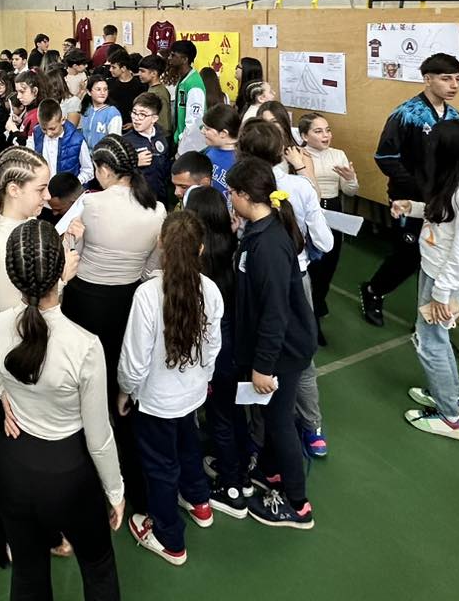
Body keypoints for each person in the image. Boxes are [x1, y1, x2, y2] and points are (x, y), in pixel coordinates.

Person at [0, 219, 123, 601]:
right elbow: (99, 438)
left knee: (29, 577)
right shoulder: (84, 346)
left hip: (15, 470)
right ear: (58, 268)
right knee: (98, 570)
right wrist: (115, 490)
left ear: (13, 277)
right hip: (71, 474)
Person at [62, 135, 165, 511]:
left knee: (86, 385)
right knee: (121, 383)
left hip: (86, 302)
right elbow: (154, 266)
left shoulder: (89, 203)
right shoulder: (156, 208)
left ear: (105, 170)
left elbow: (72, 257)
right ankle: (131, 482)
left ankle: (87, 471)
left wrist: (73, 244)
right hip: (129, 302)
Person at [119, 210, 222, 565]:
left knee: (160, 467)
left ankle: (169, 538)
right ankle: (200, 503)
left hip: (155, 401)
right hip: (191, 394)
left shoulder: (148, 295)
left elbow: (134, 360)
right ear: (201, 249)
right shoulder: (210, 289)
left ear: (161, 245)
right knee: (188, 446)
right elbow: (212, 347)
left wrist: (125, 391)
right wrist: (202, 379)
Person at [226, 156, 317, 529]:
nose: (229, 197)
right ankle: (273, 472)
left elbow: (275, 313)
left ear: (246, 196)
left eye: (232, 193)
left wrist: (263, 365)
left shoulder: (269, 246)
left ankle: (297, 505)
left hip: (282, 353)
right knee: (269, 416)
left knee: (279, 421)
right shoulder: (259, 230)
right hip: (276, 350)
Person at [394, 119, 459, 439]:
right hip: (438, 271)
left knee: (429, 343)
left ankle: (450, 418)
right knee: (436, 339)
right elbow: (445, 219)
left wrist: (441, 292)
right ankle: (451, 398)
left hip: (445, 279)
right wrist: (412, 208)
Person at [361, 53, 459, 327]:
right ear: (427, 79)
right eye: (446, 79)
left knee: (436, 257)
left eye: (457, 79)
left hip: (442, 200)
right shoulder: (405, 114)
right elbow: (385, 157)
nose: (454, 85)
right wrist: (417, 188)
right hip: (408, 200)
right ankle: (373, 291)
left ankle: (431, 323)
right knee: (408, 256)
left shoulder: (454, 117)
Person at [185, 186, 248, 518]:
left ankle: (232, 487)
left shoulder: (200, 261)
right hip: (235, 347)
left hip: (216, 354)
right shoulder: (232, 246)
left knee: (219, 417)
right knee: (232, 412)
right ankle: (243, 470)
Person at [298, 113, 359, 344]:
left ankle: (319, 300)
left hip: (333, 212)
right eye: (318, 131)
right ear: (304, 135)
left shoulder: (338, 154)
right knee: (311, 267)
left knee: (329, 264)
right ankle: (311, 319)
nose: (326, 135)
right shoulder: (299, 156)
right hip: (309, 211)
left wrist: (351, 179)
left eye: (328, 130)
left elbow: (350, 191)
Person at [0, 146, 54, 313]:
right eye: (41, 189)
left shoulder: (27, 220)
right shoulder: (1, 251)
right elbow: (17, 317)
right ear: (14, 190)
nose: (48, 196)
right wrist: (61, 279)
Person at [33, 98, 93, 184]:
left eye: (52, 128)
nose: (49, 133)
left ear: (62, 120)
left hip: (69, 193)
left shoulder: (77, 140)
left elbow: (88, 171)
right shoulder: (36, 134)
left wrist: (73, 185)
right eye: (44, 129)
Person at [124, 92, 171, 202]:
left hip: (160, 198)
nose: (136, 118)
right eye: (134, 113)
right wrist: (134, 162)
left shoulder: (162, 137)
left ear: (154, 118)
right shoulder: (126, 141)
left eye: (142, 114)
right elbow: (117, 173)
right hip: (136, 200)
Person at [169, 41, 206, 154]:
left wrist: (183, 141)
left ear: (185, 59)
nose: (169, 58)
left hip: (190, 145)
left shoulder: (194, 83)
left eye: (173, 55)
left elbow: (195, 120)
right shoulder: (184, 80)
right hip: (183, 142)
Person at [202, 104, 240, 197]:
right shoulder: (209, 150)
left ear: (223, 133)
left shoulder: (239, 161)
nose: (202, 131)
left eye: (207, 129)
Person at [79, 74, 123, 151]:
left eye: (105, 89)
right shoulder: (87, 110)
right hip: (85, 156)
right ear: (89, 92)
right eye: (98, 89)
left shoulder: (112, 113)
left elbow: (115, 142)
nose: (102, 93)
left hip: (103, 157)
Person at [137, 55, 173, 134]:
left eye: (142, 71)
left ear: (153, 73)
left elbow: (164, 122)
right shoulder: (153, 89)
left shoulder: (158, 93)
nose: (139, 74)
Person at [106, 49, 143, 125]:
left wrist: (133, 123)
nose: (110, 70)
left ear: (123, 68)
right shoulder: (109, 84)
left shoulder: (140, 85)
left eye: (113, 67)